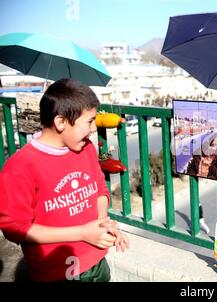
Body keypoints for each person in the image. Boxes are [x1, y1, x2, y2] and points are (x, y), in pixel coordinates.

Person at [0, 78, 129, 282]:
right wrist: (81, 233)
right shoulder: (20, 166)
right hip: (55, 272)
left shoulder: (85, 149)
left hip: (97, 264)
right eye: (89, 121)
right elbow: (15, 228)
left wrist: (102, 222)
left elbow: (100, 191)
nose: (93, 128)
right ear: (61, 122)